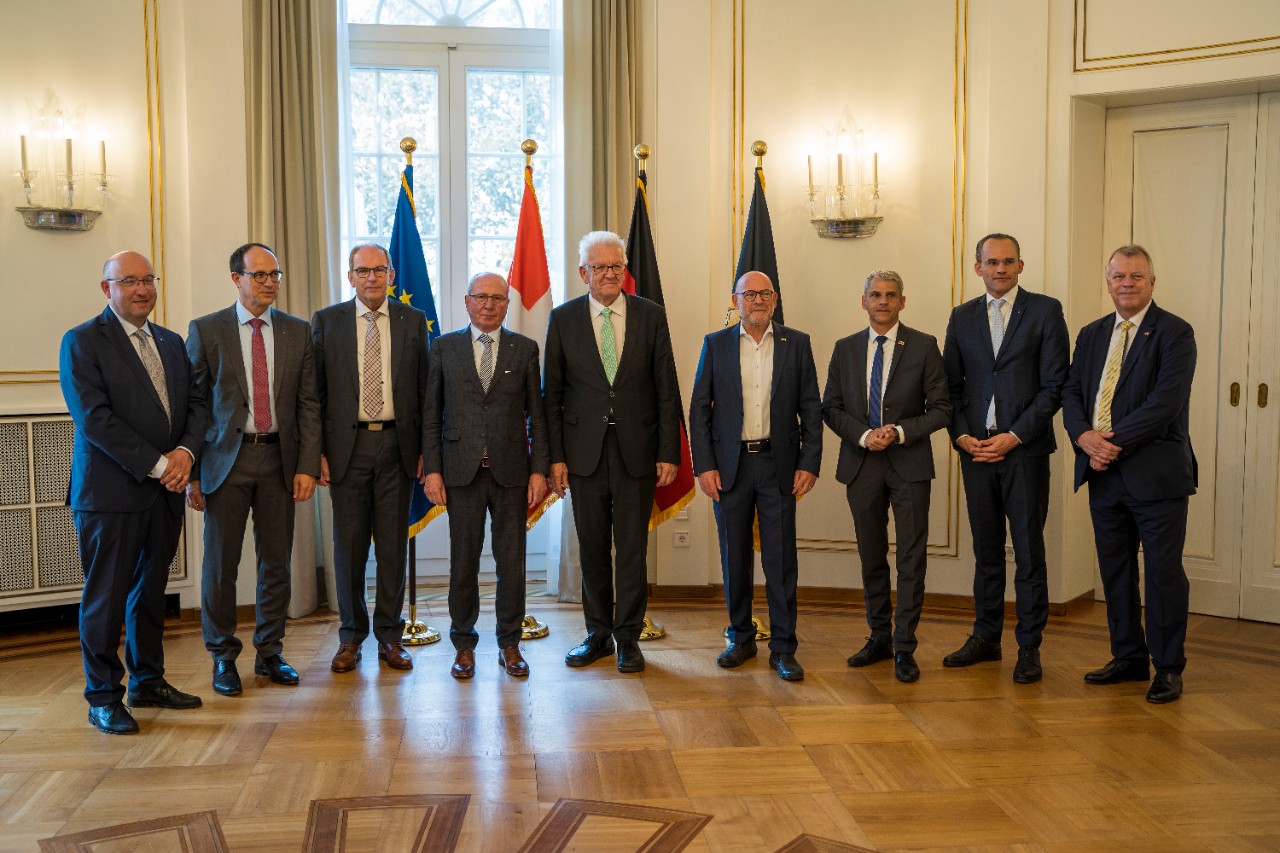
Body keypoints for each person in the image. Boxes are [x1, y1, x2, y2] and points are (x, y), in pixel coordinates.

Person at [60, 251, 208, 734]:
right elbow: (95, 419)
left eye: (148, 280)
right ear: (107, 289)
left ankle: (149, 681)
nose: (142, 289)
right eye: (129, 281)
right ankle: (103, 696)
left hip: (166, 491)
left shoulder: (169, 341)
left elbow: (194, 404)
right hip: (110, 495)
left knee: (150, 593)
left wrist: (186, 452)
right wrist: (163, 464)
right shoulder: (82, 341)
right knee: (105, 597)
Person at [1061, 245, 1195, 704]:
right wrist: (1083, 437)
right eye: (1119, 276)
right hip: (1103, 474)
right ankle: (1128, 657)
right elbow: (1073, 391)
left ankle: (1168, 666)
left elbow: (1165, 403)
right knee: (1115, 571)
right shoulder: (1093, 333)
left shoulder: (1175, 333)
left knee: (1162, 573)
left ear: (1152, 283)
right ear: (1109, 282)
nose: (1127, 283)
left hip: (1156, 475)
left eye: (1137, 276)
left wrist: (1108, 442)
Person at [543, 230, 682, 673]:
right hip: (582, 455)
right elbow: (553, 395)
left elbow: (666, 389)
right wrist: (556, 458)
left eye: (616, 266)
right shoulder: (563, 319)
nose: (608, 274)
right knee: (593, 546)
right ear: (584, 272)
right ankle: (597, 633)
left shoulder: (650, 315)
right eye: (599, 267)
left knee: (633, 548)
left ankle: (629, 636)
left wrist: (668, 451)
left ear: (625, 269)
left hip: (637, 452)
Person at [185, 242, 321, 696]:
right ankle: (223, 657)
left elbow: (308, 404)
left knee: (276, 562)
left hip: (281, 459)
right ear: (236, 279)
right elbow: (195, 406)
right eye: (259, 275)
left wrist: (306, 464)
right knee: (220, 565)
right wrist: (194, 474)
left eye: (274, 275)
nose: (268, 282)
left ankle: (269, 651)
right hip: (226, 460)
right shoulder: (207, 330)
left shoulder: (297, 332)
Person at [941, 233, 1070, 684]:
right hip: (975, 453)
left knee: (1030, 552)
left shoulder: (1045, 311)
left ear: (1021, 265)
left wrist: (1015, 436)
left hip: (1025, 452)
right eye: (991, 262)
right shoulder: (961, 317)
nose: (1000, 269)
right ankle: (986, 637)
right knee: (986, 552)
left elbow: (1055, 386)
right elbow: (950, 387)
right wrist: (961, 435)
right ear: (977, 268)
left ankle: (1029, 647)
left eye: (1008, 262)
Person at [689, 271, 822, 682]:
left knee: (780, 560)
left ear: (775, 298)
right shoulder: (716, 344)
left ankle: (783, 648)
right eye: (750, 294)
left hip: (777, 465)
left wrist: (809, 462)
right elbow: (699, 410)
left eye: (765, 294)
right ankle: (741, 638)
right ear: (736, 299)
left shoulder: (796, 343)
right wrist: (705, 465)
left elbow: (811, 410)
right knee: (735, 557)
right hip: (730, 468)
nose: (758, 301)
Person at [822, 270, 951, 683]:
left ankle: (904, 646)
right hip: (861, 464)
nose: (882, 301)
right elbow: (831, 407)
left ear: (902, 302)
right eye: (875, 295)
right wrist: (863, 435)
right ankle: (879, 637)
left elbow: (943, 408)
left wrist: (897, 432)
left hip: (909, 464)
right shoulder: (845, 349)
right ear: (863, 301)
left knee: (911, 558)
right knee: (871, 555)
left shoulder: (925, 346)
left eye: (890, 295)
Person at [423, 272, 549, 679]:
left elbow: (538, 418)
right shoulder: (443, 348)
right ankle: (463, 643)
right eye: (481, 297)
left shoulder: (524, 349)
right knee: (463, 563)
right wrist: (434, 470)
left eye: (497, 298)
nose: (489, 305)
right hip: (461, 473)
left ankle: (510, 643)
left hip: (512, 473)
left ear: (507, 305)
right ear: (467, 301)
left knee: (511, 562)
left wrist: (539, 471)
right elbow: (431, 416)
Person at [312, 243, 429, 674]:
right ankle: (350, 637)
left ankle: (390, 637)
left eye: (379, 270)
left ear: (391, 275)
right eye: (363, 271)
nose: (372, 278)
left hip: (398, 447)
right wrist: (317, 453)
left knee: (394, 549)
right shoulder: (327, 322)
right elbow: (315, 395)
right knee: (349, 550)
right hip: (346, 450)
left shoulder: (413, 321)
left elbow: (425, 392)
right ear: (350, 277)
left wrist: (424, 452)